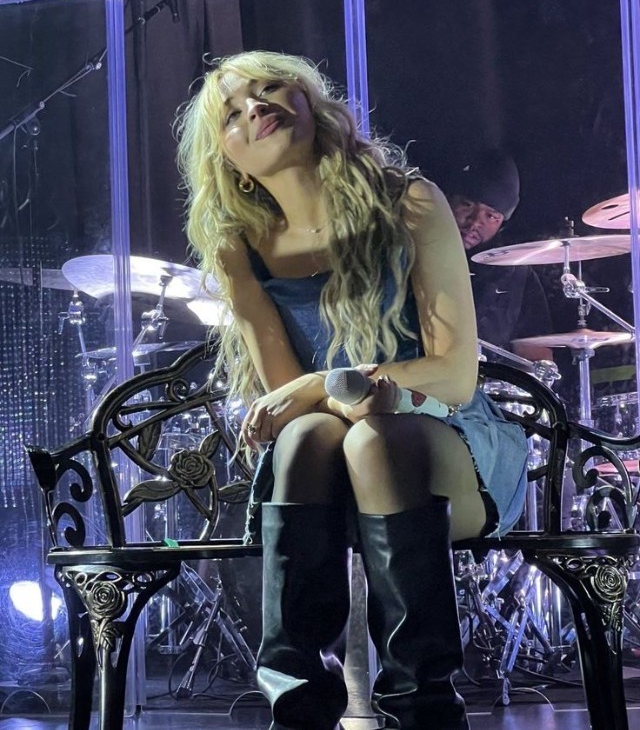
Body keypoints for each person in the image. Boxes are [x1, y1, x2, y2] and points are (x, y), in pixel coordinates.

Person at [176, 50, 529, 730]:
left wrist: (328, 382)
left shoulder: (411, 202)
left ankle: (422, 709)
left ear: (311, 102)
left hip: (447, 442)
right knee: (313, 433)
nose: (257, 105)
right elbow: (289, 407)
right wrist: (326, 396)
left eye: (271, 86)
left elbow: (456, 376)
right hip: (324, 464)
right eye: (233, 112)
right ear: (228, 159)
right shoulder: (238, 249)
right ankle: (300, 707)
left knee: (376, 439)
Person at [444, 149, 554, 363]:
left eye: (490, 216)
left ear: (502, 222)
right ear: (447, 201)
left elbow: (535, 354)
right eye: (467, 205)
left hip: (489, 381)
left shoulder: (517, 274)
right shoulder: (412, 256)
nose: (475, 222)